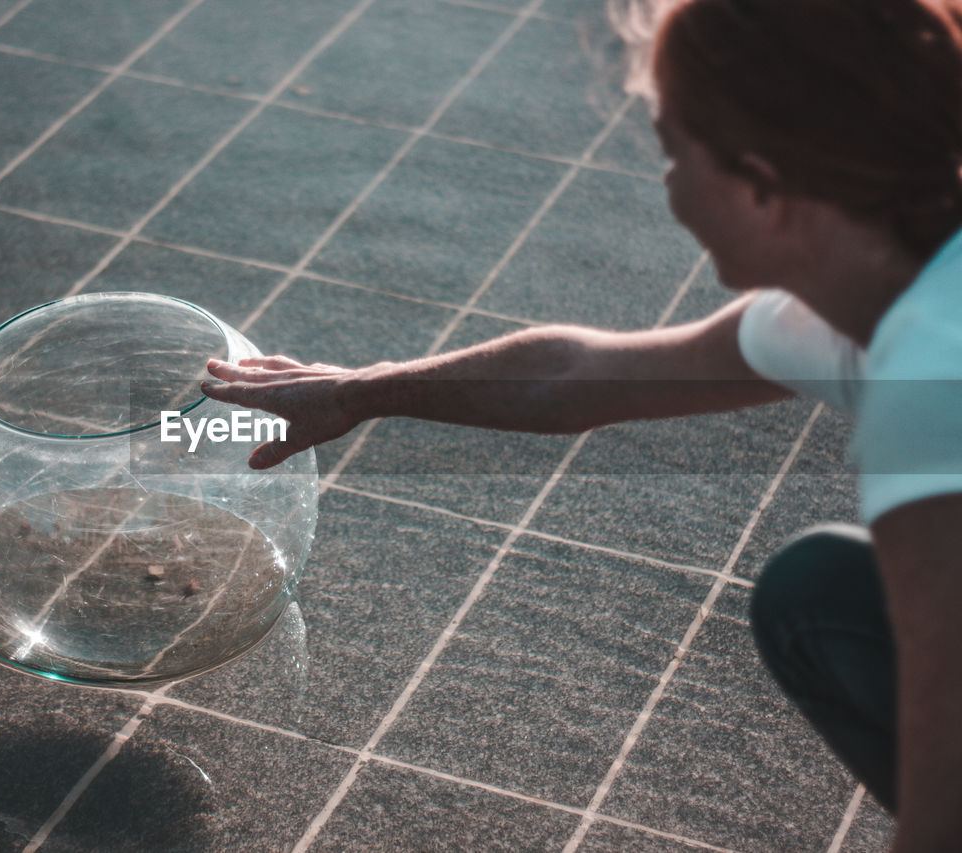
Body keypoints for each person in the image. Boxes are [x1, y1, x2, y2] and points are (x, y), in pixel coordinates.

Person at [201, 0, 962, 848]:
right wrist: (356, 391)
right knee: (815, 592)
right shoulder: (866, 289)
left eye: (675, 153)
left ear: (761, 187)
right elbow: (581, 374)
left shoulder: (935, 386)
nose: (668, 186)